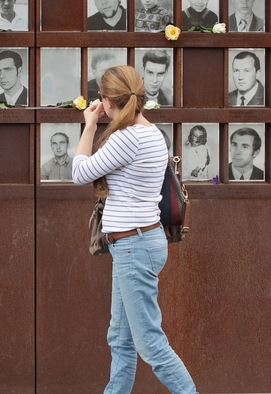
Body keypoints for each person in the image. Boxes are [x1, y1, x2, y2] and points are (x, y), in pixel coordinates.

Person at [71, 65, 198, 394]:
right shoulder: (151, 132)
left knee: (151, 345)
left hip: (133, 247)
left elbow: (81, 172)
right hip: (138, 243)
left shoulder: (128, 139)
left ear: (107, 102)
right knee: (121, 338)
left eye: (102, 100)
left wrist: (89, 126)